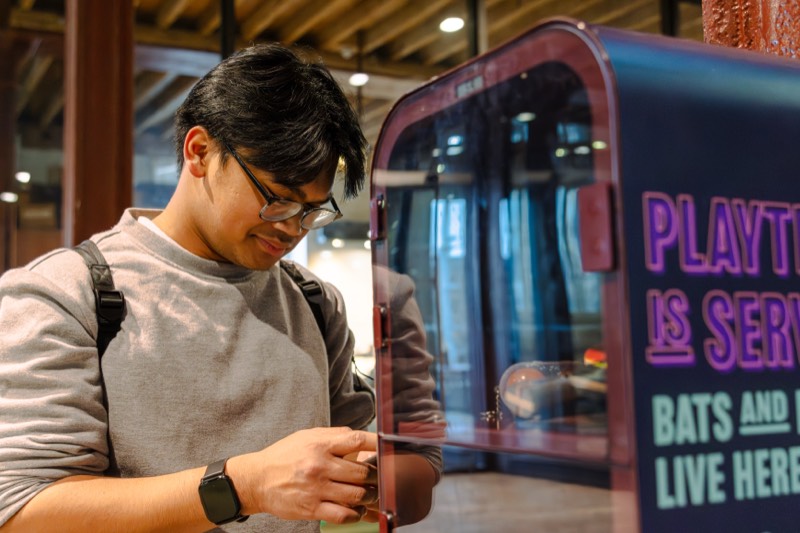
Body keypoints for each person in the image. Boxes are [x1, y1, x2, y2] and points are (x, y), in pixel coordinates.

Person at [0, 43, 410, 532]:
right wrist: (243, 486)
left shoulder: (314, 302)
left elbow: (354, 455)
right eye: (278, 199)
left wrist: (391, 466)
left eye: (311, 211)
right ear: (200, 152)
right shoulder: (66, 293)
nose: (292, 228)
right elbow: (21, 510)